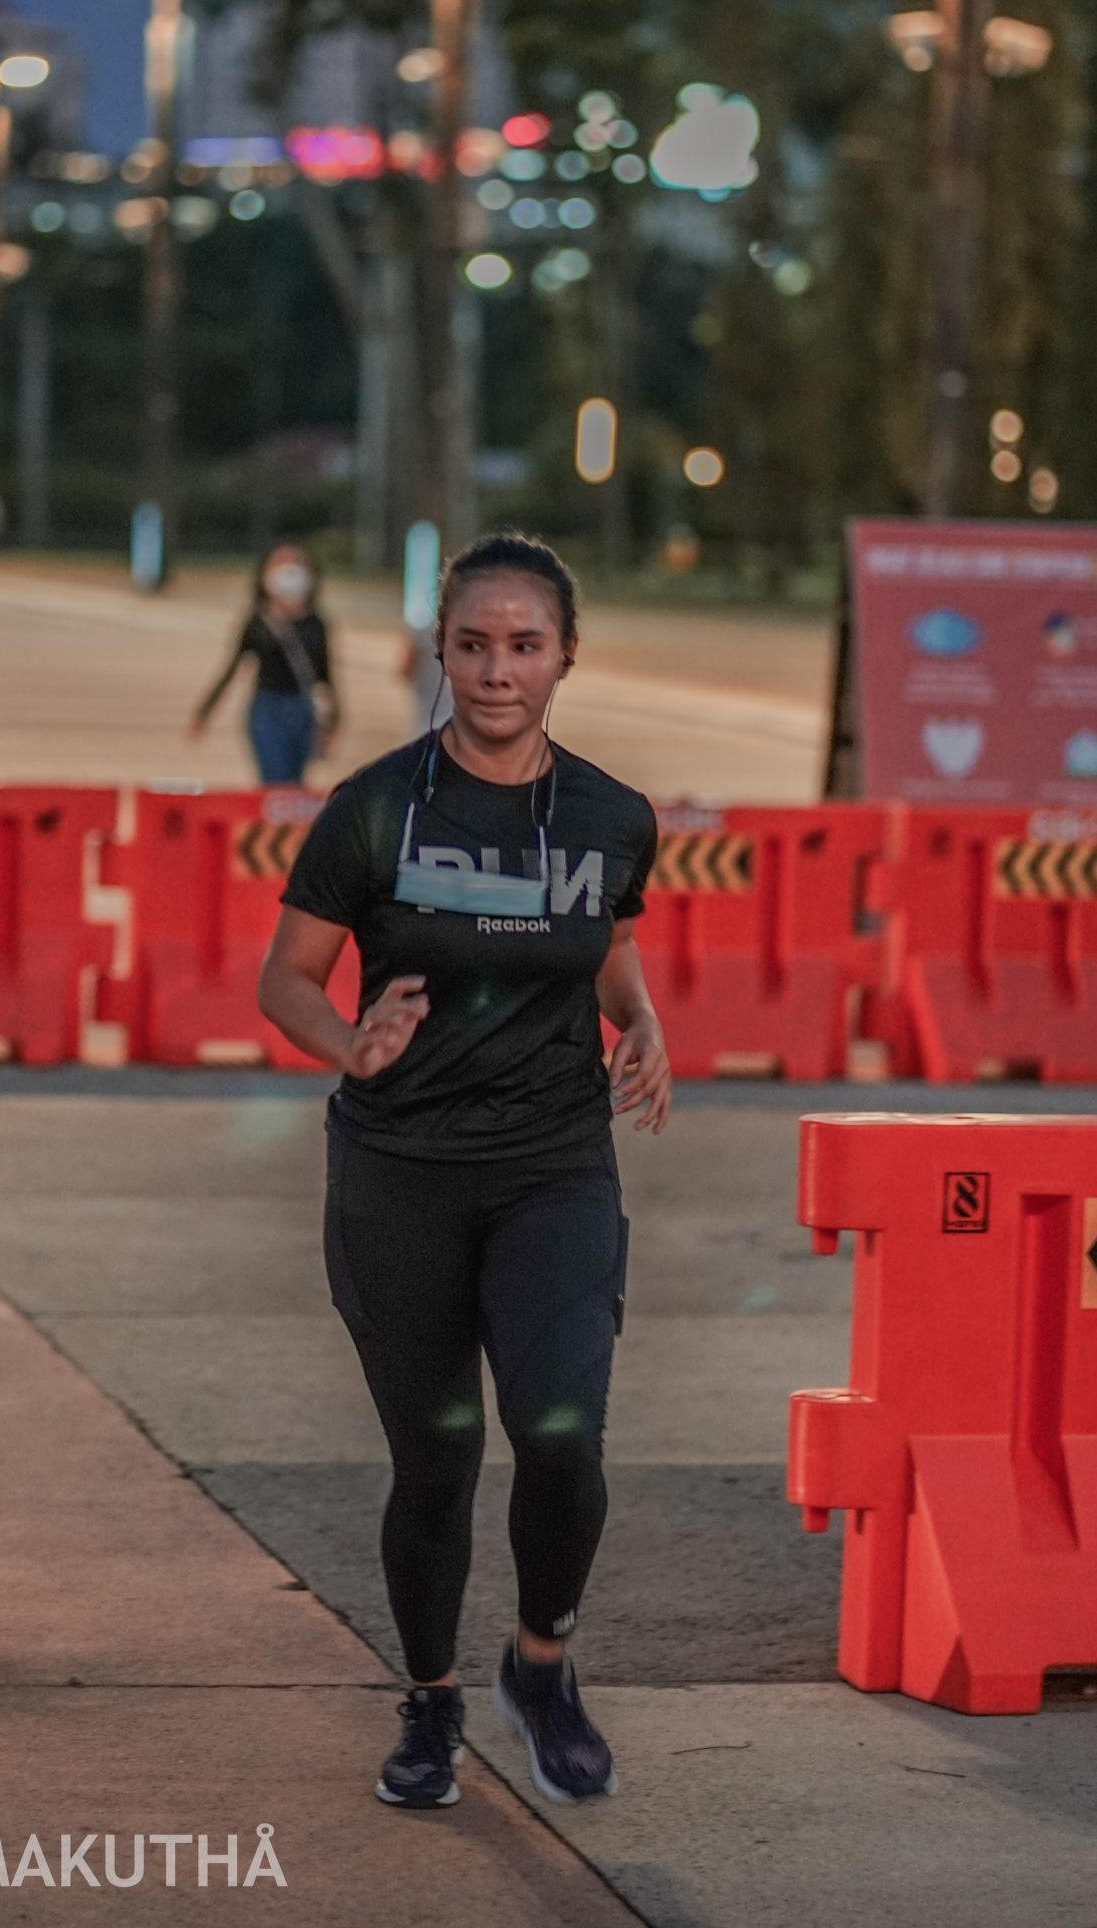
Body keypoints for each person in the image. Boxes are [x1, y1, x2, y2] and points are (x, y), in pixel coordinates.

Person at [257, 531, 670, 1811]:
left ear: (566, 656)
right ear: (439, 650)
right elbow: (286, 979)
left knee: (562, 1434)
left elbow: (600, 940)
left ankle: (541, 1666)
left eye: (524, 645)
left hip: (554, 1163)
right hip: (401, 1171)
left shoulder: (612, 816)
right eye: (475, 644)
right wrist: (351, 1043)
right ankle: (431, 1704)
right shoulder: (374, 806)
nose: (498, 670)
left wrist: (641, 1019)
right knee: (436, 1461)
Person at [190, 543, 338, 787]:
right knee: (273, 779)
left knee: (296, 783)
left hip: (302, 709)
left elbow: (326, 675)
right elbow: (232, 669)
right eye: (280, 563)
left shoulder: (316, 623)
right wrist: (205, 712)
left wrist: (333, 722)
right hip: (267, 708)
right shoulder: (258, 621)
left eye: (296, 563)